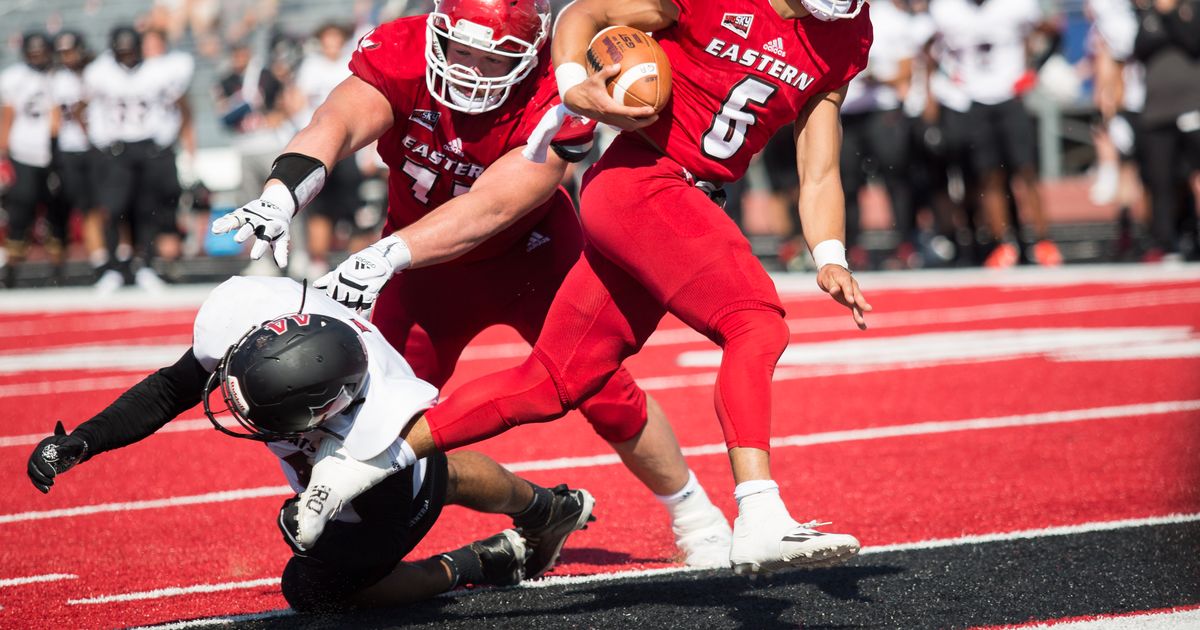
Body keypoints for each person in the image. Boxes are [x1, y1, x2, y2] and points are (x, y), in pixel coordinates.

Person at [324, 0, 875, 576]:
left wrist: (830, 253)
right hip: (648, 180)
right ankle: (759, 513)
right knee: (755, 323)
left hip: (676, 196)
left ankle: (364, 461)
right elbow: (584, 13)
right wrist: (572, 84)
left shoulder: (845, 34)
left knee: (552, 382)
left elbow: (819, 168)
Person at [212, 0, 732, 568]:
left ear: (530, 54)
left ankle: (695, 514)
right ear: (438, 33)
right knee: (365, 412)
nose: (469, 70)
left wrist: (387, 254)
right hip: (420, 276)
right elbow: (334, 124)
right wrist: (283, 192)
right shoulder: (404, 50)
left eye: (492, 57)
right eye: (460, 51)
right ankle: (481, 517)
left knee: (604, 391)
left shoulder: (558, 86)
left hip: (530, 259)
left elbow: (492, 207)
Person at [25, 276, 593, 613]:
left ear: (324, 410)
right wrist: (85, 440)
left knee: (315, 587)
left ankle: (478, 562)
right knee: (441, 470)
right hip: (371, 443)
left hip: (383, 495)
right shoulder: (263, 330)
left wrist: (311, 508)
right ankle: (546, 508)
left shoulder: (375, 415)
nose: (233, 408)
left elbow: (360, 501)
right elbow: (170, 389)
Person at [926, 0, 1063, 268]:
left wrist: (1032, 71)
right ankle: (1003, 243)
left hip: (1009, 97)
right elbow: (928, 47)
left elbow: (1052, 31)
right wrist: (949, 74)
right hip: (974, 100)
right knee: (989, 176)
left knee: (1026, 171)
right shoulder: (946, 9)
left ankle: (1044, 240)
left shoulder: (1015, 6)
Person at [84, 26, 193, 292]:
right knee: (113, 208)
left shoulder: (159, 71)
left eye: (131, 51)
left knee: (147, 210)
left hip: (148, 147)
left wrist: (166, 138)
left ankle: (144, 264)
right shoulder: (100, 72)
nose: (127, 57)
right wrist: (101, 141)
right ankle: (114, 267)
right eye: (122, 52)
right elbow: (85, 109)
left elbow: (180, 106)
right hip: (117, 149)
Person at [0, 32, 66, 287]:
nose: (38, 57)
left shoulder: (58, 78)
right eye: (33, 52)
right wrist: (3, 153)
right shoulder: (15, 77)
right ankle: (12, 269)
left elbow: (59, 118)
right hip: (23, 154)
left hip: (54, 156)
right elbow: (8, 116)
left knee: (56, 212)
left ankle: (57, 270)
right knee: (20, 211)